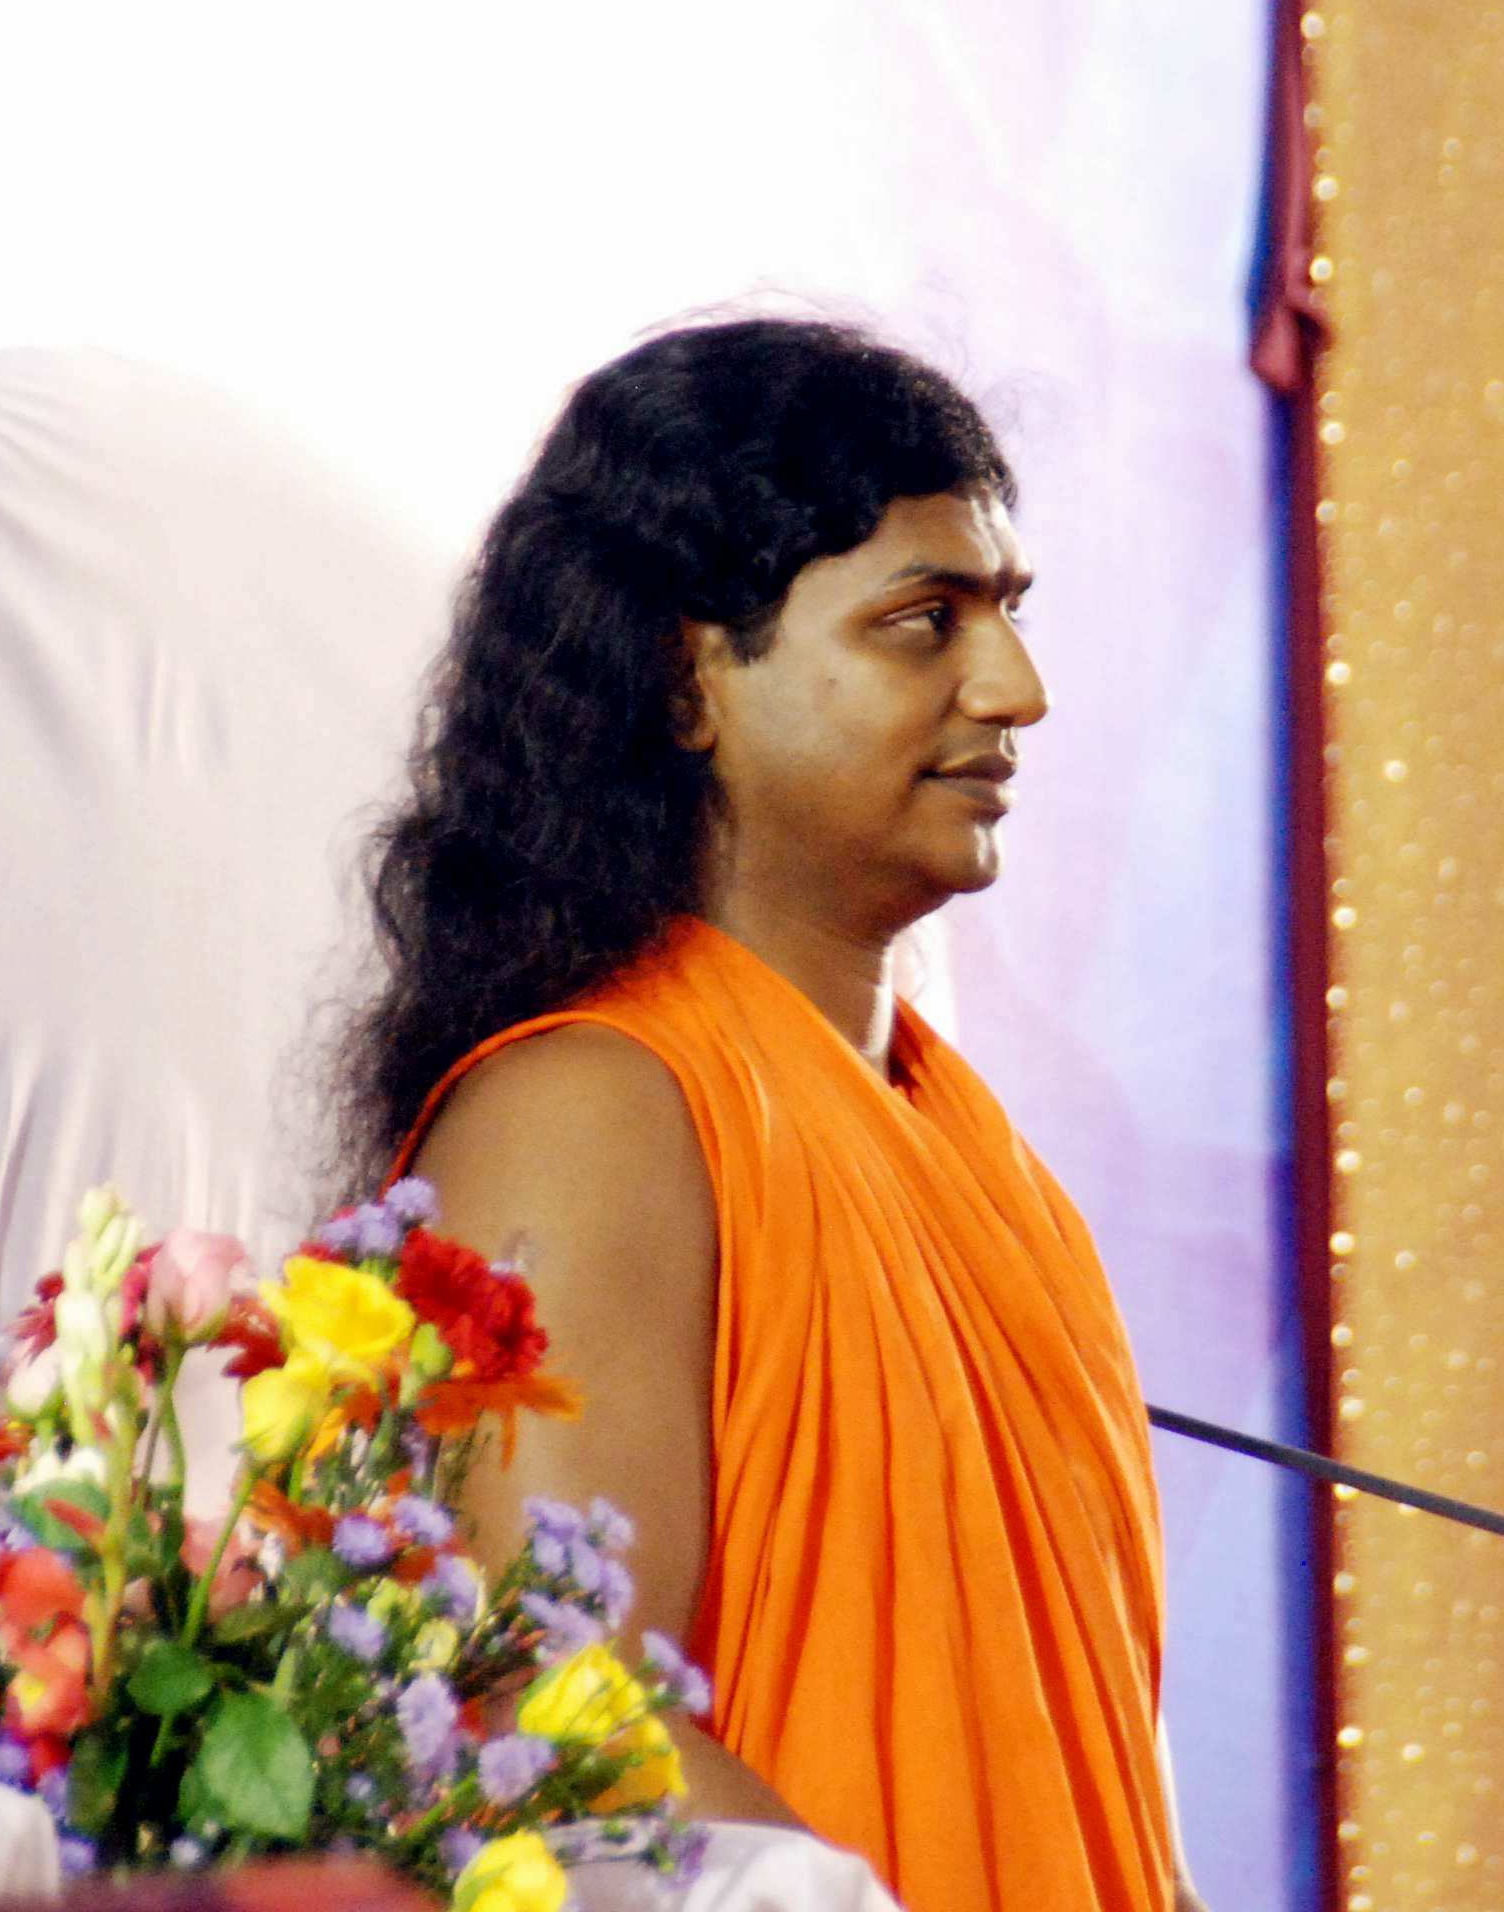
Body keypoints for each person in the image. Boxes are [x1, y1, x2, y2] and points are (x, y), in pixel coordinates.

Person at [348, 318, 1202, 1912]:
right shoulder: (588, 1114)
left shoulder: (989, 1162)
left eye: (1006, 612)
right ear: (688, 680)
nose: (1016, 690)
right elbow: (556, 1730)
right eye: (923, 623)